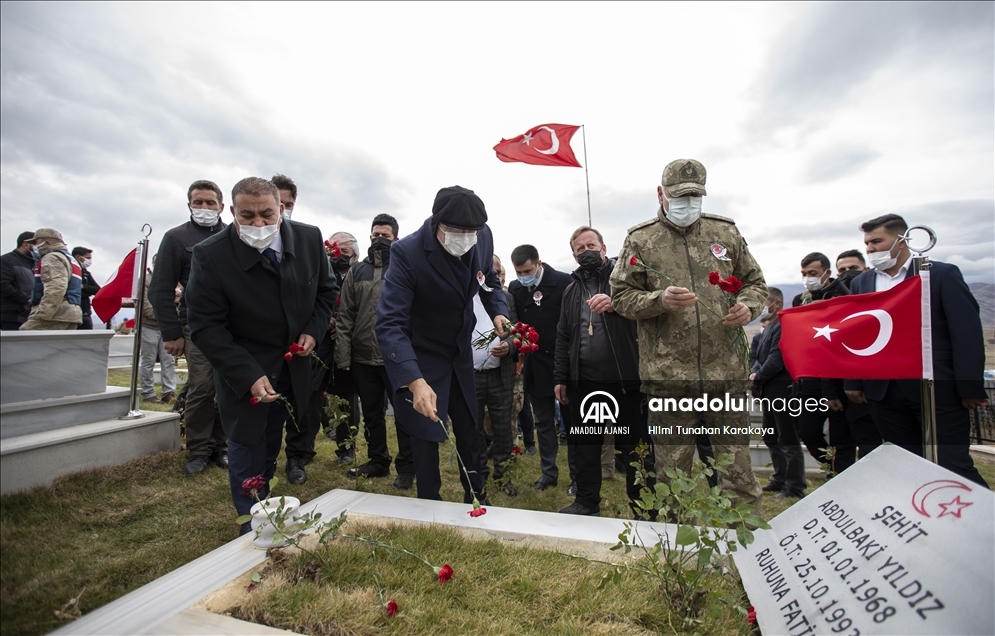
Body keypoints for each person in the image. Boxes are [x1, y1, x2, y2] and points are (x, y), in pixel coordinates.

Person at [611, 158, 765, 512]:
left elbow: (755, 283)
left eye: (696, 196)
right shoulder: (641, 239)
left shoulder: (725, 233)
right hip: (669, 380)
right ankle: (675, 554)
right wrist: (658, 300)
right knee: (670, 474)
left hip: (725, 375)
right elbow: (621, 298)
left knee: (738, 472)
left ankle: (747, 554)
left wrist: (748, 306)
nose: (688, 203)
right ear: (661, 194)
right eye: (680, 196)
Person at [186, 176, 338, 525]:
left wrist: (312, 330)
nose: (258, 224)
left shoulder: (309, 238)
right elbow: (206, 326)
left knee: (274, 435)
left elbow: (326, 291)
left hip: (293, 363)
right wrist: (246, 373)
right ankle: (251, 521)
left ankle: (267, 503)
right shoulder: (211, 256)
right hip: (245, 366)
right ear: (231, 212)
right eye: (247, 216)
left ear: (282, 209)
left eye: (267, 215)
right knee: (246, 440)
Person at [376, 185, 508, 502]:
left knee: (469, 427)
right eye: (458, 231)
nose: (466, 237)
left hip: (459, 352)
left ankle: (476, 494)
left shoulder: (483, 236)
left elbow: (489, 281)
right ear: (439, 223)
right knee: (425, 431)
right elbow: (390, 322)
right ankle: (429, 502)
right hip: (421, 353)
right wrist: (413, 379)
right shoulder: (408, 253)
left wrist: (499, 313)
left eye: (472, 231)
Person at [844, 214, 989, 488]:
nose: (870, 249)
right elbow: (858, 335)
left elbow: (966, 333)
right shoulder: (861, 284)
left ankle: (982, 523)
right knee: (906, 465)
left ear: (901, 240)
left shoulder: (940, 274)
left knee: (951, 465)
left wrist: (970, 386)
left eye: (877, 241)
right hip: (883, 392)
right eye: (867, 244)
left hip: (936, 389)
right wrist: (855, 380)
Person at [554, 226, 649, 516]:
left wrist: (617, 304)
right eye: (580, 249)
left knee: (634, 448)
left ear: (604, 248)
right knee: (585, 447)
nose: (586, 251)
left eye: (591, 245)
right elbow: (563, 336)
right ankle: (586, 502)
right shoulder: (571, 291)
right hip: (585, 383)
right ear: (574, 255)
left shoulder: (625, 281)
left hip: (625, 381)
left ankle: (643, 506)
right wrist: (560, 377)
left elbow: (645, 312)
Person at [148, 180, 228, 476]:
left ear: (221, 206)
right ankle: (198, 448)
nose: (205, 208)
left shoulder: (234, 235)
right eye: (199, 202)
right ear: (189, 205)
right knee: (203, 386)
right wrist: (172, 333)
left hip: (233, 327)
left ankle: (221, 445)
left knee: (228, 385)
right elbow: (159, 290)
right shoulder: (177, 238)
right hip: (197, 326)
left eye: (210, 203)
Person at [335, 214, 417, 489]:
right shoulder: (357, 271)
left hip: (396, 357)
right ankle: (377, 461)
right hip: (362, 356)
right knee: (371, 413)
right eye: (375, 235)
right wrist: (343, 355)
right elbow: (346, 315)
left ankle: (407, 467)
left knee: (405, 416)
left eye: (385, 235)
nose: (379, 239)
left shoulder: (405, 268)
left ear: (396, 237)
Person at [508, 244, 573, 492]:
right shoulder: (516, 289)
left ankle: (577, 477)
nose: (523, 277)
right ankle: (549, 473)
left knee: (572, 422)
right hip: (536, 365)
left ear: (539, 264)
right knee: (543, 422)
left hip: (562, 362)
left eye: (527, 271)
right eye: (519, 272)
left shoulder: (564, 283)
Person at [790, 252, 855, 474]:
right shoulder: (801, 299)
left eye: (813, 273)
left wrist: (832, 391)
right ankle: (834, 469)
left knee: (840, 439)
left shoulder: (842, 297)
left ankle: (842, 477)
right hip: (809, 381)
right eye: (804, 274)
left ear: (827, 273)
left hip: (837, 381)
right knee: (808, 432)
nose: (808, 277)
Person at [471, 253, 520, 496]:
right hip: (471, 375)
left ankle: (504, 475)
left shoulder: (506, 299)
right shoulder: (463, 297)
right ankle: (478, 473)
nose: (491, 275)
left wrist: (509, 346)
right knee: (474, 428)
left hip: (501, 375)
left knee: (503, 429)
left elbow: (517, 333)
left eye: (496, 271)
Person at [750, 287, 806, 498]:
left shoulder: (783, 326)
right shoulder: (767, 329)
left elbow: (776, 359)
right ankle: (780, 478)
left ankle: (794, 486)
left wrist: (758, 376)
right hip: (768, 394)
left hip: (782, 392)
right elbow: (756, 358)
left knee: (788, 439)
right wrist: (754, 373)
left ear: (777, 305)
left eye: (763, 302)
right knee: (771, 437)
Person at [834, 249, 881, 459]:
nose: (847, 273)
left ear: (867, 270)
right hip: (852, 389)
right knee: (865, 444)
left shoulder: (881, 300)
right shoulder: (839, 306)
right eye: (842, 270)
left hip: (887, 384)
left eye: (853, 268)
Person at [325, 231, 362, 462]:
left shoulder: (359, 275)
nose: (338, 256)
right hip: (322, 340)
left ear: (354, 254)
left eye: (344, 252)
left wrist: (343, 324)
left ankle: (346, 447)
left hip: (348, 342)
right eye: (334, 251)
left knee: (347, 396)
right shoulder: (320, 272)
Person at [20, 228, 82, 330]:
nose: (33, 247)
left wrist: (42, 314)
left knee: (19, 341)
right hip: (72, 314)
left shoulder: (52, 257)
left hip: (55, 315)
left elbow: (56, 287)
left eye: (36, 243)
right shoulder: (71, 259)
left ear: (47, 242)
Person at [139, 256, 179, 404]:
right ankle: (148, 393)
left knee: (168, 360)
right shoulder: (145, 281)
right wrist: (166, 316)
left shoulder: (173, 281)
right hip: (149, 326)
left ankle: (168, 392)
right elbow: (145, 305)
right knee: (148, 361)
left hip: (166, 327)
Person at [0, 232, 37, 330]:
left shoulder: (34, 264)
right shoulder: (6, 260)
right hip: (12, 317)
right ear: (25, 245)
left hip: (28, 317)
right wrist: (27, 299)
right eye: (36, 245)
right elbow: (3, 285)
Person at [71, 247, 101, 330]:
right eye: (87, 258)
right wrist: (87, 291)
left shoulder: (86, 273)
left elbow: (98, 290)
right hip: (71, 313)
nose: (89, 261)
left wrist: (84, 287)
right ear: (78, 257)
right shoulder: (69, 271)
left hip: (85, 313)